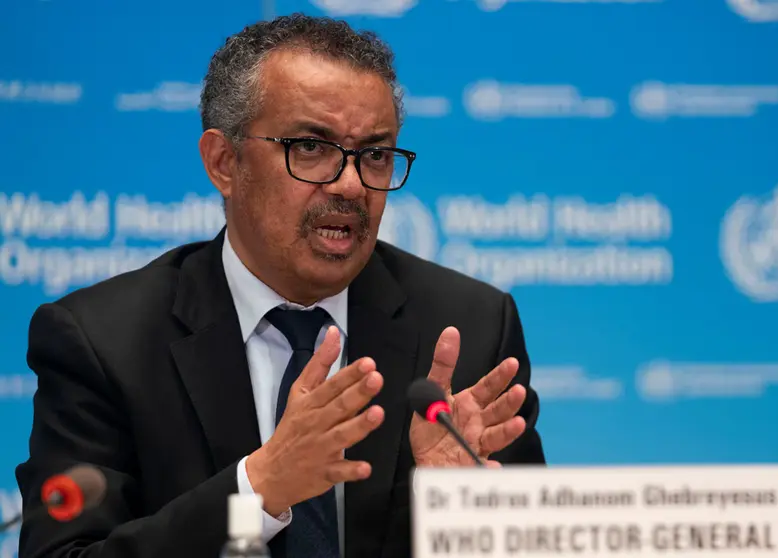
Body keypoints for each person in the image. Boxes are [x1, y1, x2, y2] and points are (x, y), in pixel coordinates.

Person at [15, 13, 545, 558]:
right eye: (310, 148)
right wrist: (257, 489)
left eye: (375, 156)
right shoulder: (104, 343)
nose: (350, 184)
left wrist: (460, 517)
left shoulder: (469, 329)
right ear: (224, 163)